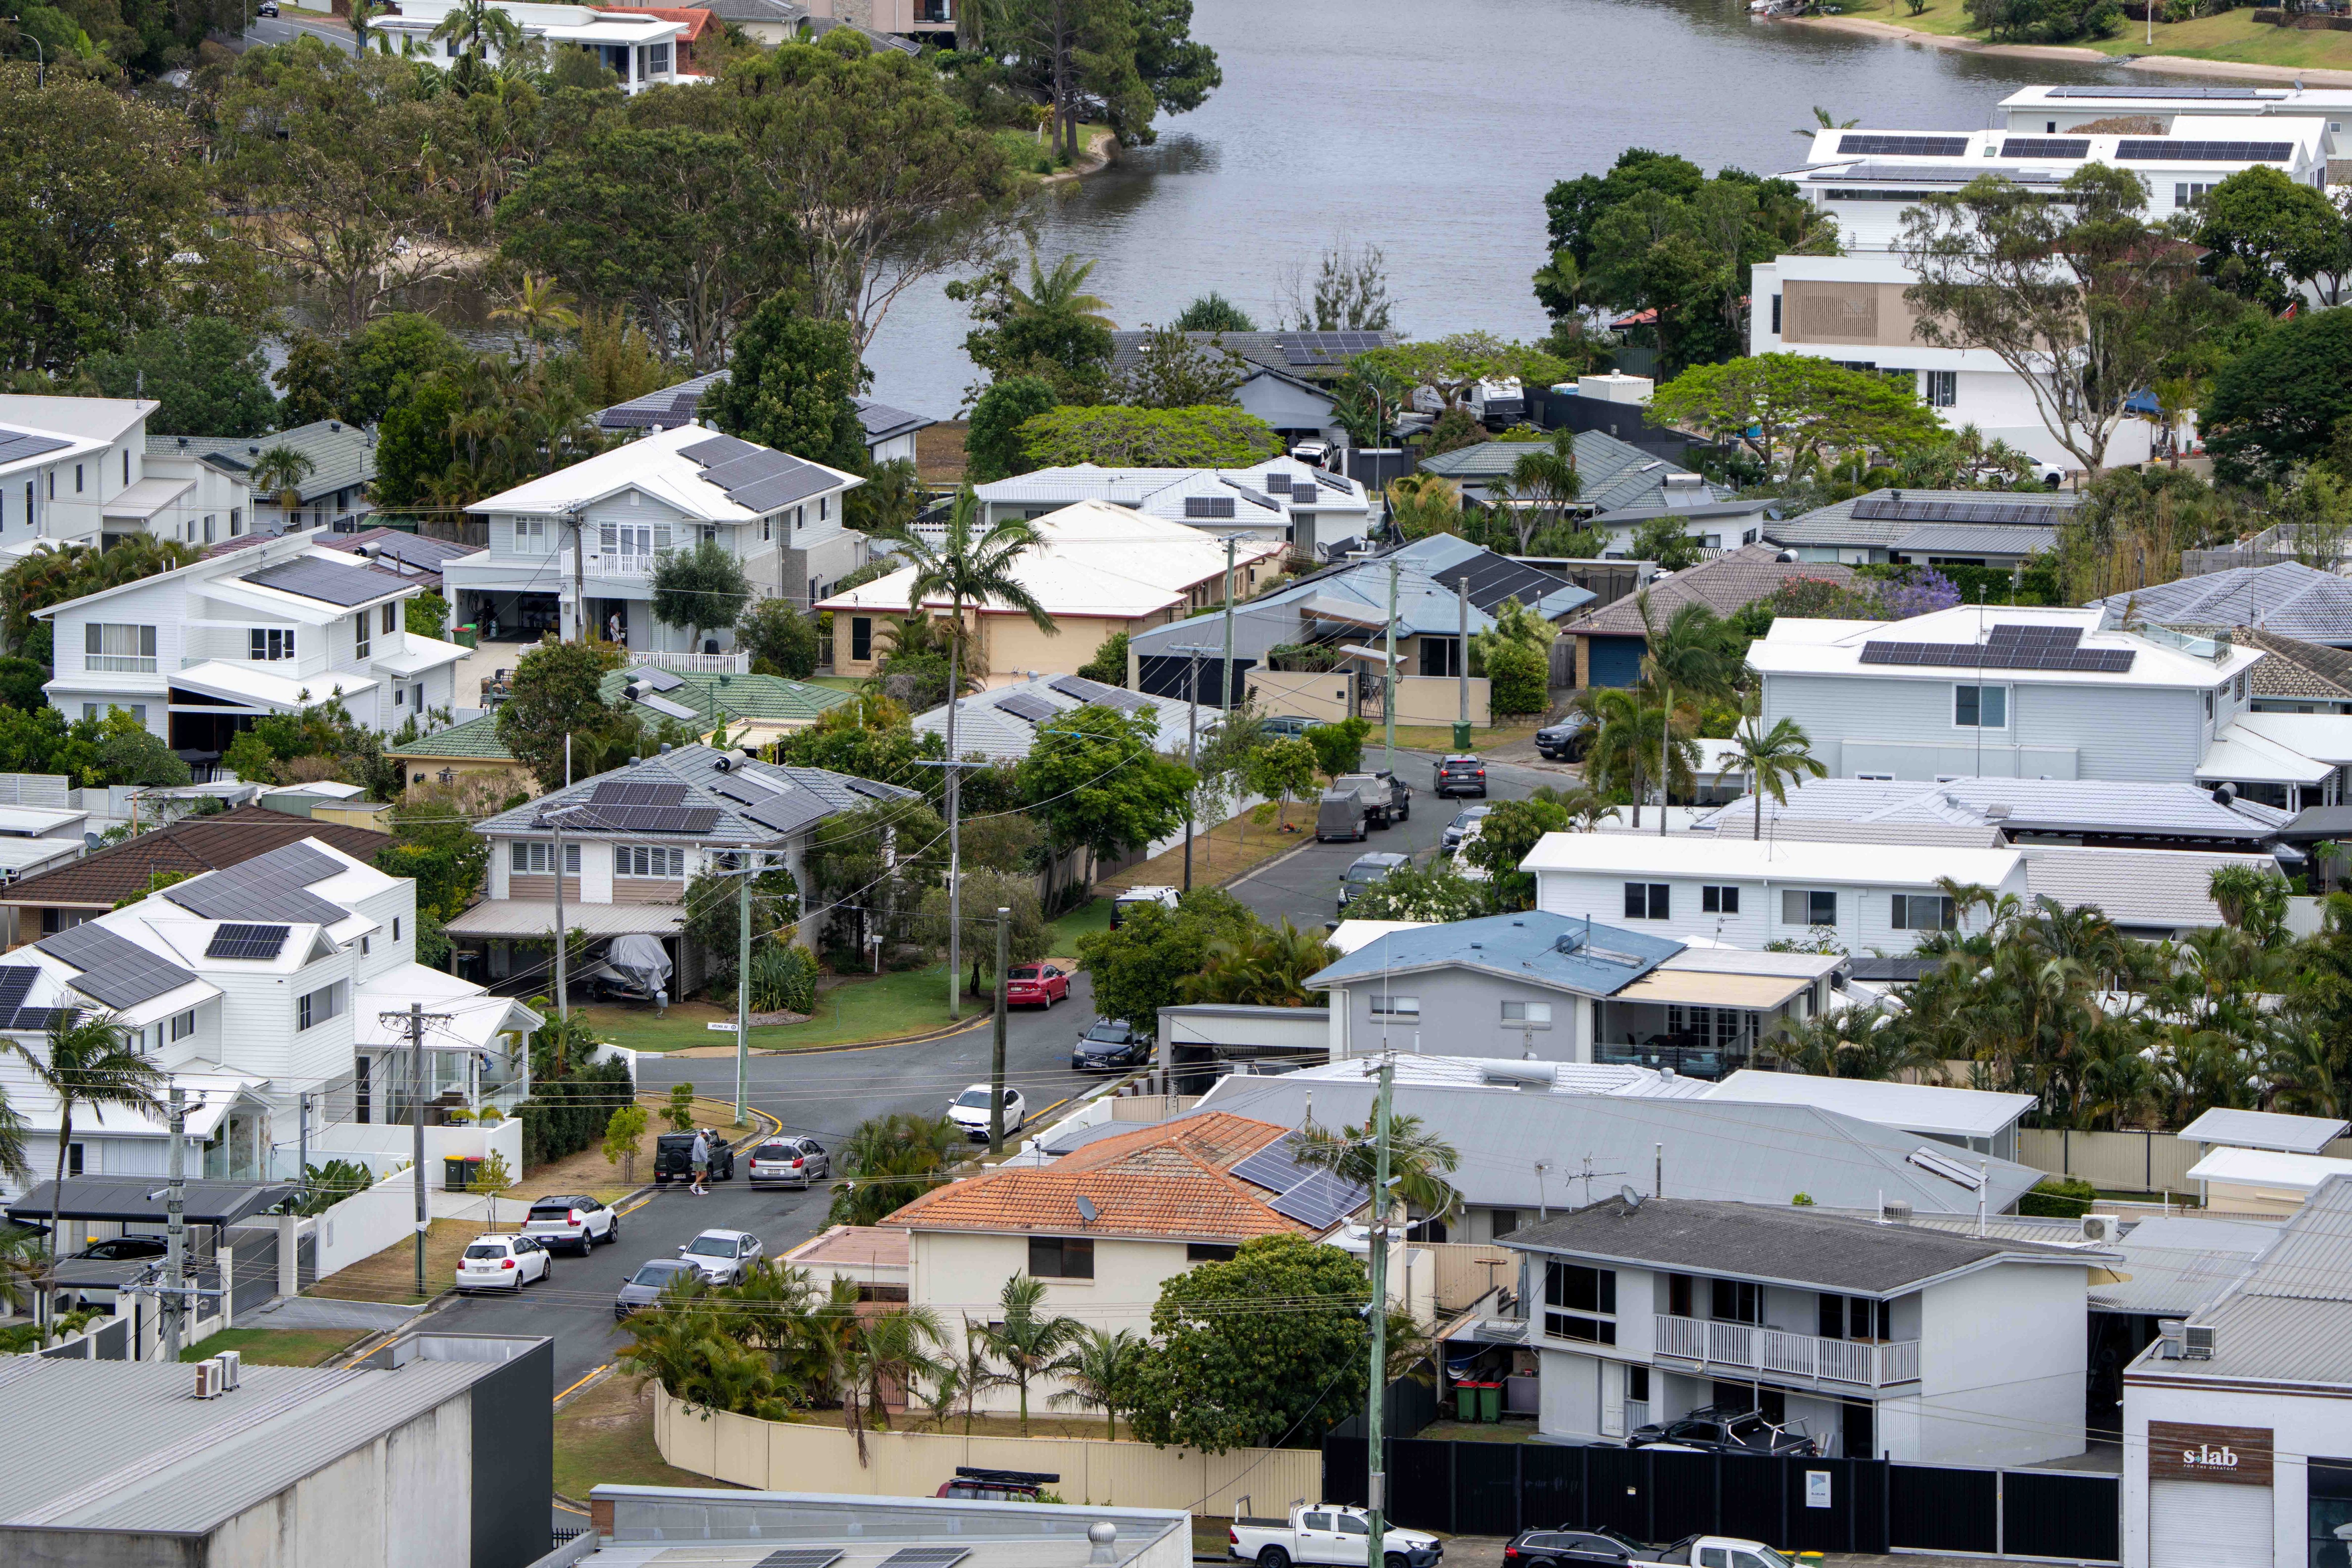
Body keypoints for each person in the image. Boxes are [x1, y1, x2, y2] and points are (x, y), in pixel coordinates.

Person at [689, 1128, 710, 1196]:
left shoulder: (697, 1139)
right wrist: (705, 1160)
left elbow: (699, 1148)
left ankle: (700, 1190)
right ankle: (693, 1186)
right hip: (700, 1160)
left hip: (695, 1159)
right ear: (705, 1134)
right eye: (707, 1135)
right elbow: (701, 1151)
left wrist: (707, 1147)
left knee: (698, 1175)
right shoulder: (702, 1141)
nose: (707, 1136)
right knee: (704, 1174)